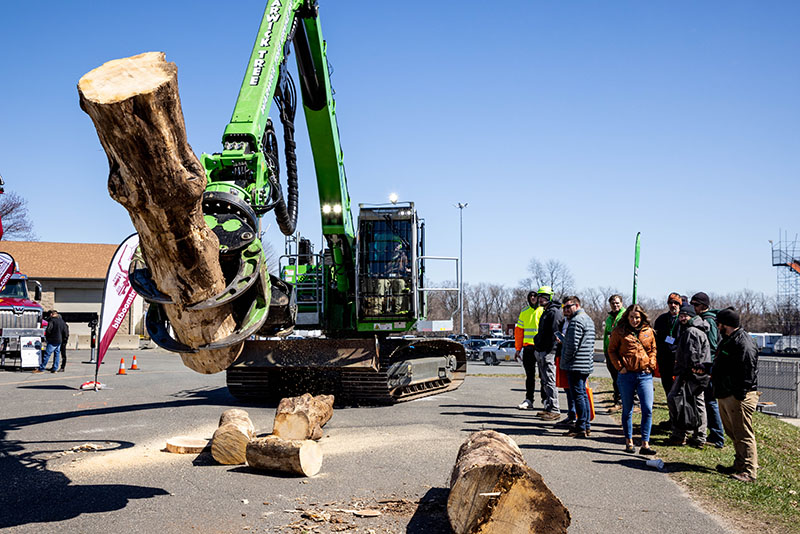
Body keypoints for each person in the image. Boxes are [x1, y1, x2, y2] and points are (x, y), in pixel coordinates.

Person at [713, 307, 759, 482]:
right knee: (734, 433)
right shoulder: (729, 339)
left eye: (719, 323)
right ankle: (739, 465)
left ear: (726, 324)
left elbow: (747, 371)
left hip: (739, 396)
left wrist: (740, 394)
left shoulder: (743, 342)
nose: (717, 326)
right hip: (726, 393)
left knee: (744, 434)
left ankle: (749, 471)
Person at [607, 304, 658, 455]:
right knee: (627, 410)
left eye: (637, 317)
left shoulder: (648, 331)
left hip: (645, 375)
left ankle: (645, 444)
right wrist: (619, 367)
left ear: (642, 317)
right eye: (631, 317)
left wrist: (651, 364)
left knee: (647, 409)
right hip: (626, 375)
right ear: (627, 317)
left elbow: (653, 349)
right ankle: (629, 441)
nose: (634, 320)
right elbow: (612, 350)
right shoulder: (619, 331)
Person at [667, 304, 711, 447]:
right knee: (695, 403)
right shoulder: (695, 329)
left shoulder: (692, 331)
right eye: (681, 316)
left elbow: (692, 356)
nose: (682, 318)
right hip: (696, 374)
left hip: (690, 374)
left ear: (692, 316)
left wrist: (686, 374)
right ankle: (696, 435)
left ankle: (683, 434)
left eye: (685, 315)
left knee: (677, 400)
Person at [690, 292, 724, 448]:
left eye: (696, 305)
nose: (694, 308)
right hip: (704, 367)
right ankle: (712, 432)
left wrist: (706, 368)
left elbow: (712, 346)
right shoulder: (703, 319)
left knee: (710, 401)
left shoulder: (709, 321)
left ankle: (717, 436)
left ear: (703, 306)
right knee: (706, 401)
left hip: (708, 368)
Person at [559, 296, 595, 438]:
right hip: (585, 363)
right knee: (582, 395)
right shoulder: (588, 319)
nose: (566, 310)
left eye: (568, 306)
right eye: (564, 307)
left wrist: (564, 361)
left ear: (577, 305)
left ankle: (580, 426)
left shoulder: (576, 321)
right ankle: (585, 425)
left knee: (578, 395)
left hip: (576, 364)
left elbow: (572, 346)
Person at [532, 286, 563, 421]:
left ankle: (555, 408)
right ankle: (549, 407)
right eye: (539, 296)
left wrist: (550, 351)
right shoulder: (545, 311)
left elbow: (556, 334)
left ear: (549, 297)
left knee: (550, 380)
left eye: (543, 296)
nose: (540, 299)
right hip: (541, 350)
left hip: (548, 351)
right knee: (544, 381)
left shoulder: (554, 312)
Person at [515, 291, 544, 410]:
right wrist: (518, 349)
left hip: (541, 348)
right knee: (529, 376)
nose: (533, 298)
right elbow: (519, 331)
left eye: (535, 296)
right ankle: (529, 400)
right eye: (530, 296)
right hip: (528, 348)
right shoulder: (524, 312)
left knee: (544, 376)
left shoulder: (543, 310)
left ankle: (546, 400)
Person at [603, 294, 626, 413]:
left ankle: (625, 402)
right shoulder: (609, 318)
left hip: (620, 352)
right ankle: (617, 400)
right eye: (613, 303)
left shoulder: (625, 316)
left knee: (622, 378)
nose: (615, 305)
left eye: (617, 303)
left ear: (621, 303)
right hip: (610, 352)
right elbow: (606, 334)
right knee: (615, 378)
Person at [35, 310, 68, 374]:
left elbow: (48, 330)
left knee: (47, 354)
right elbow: (65, 331)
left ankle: (41, 368)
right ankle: (55, 368)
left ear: (51, 315)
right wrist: (64, 339)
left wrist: (47, 337)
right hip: (59, 340)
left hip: (52, 339)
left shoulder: (52, 321)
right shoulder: (62, 321)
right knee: (57, 354)